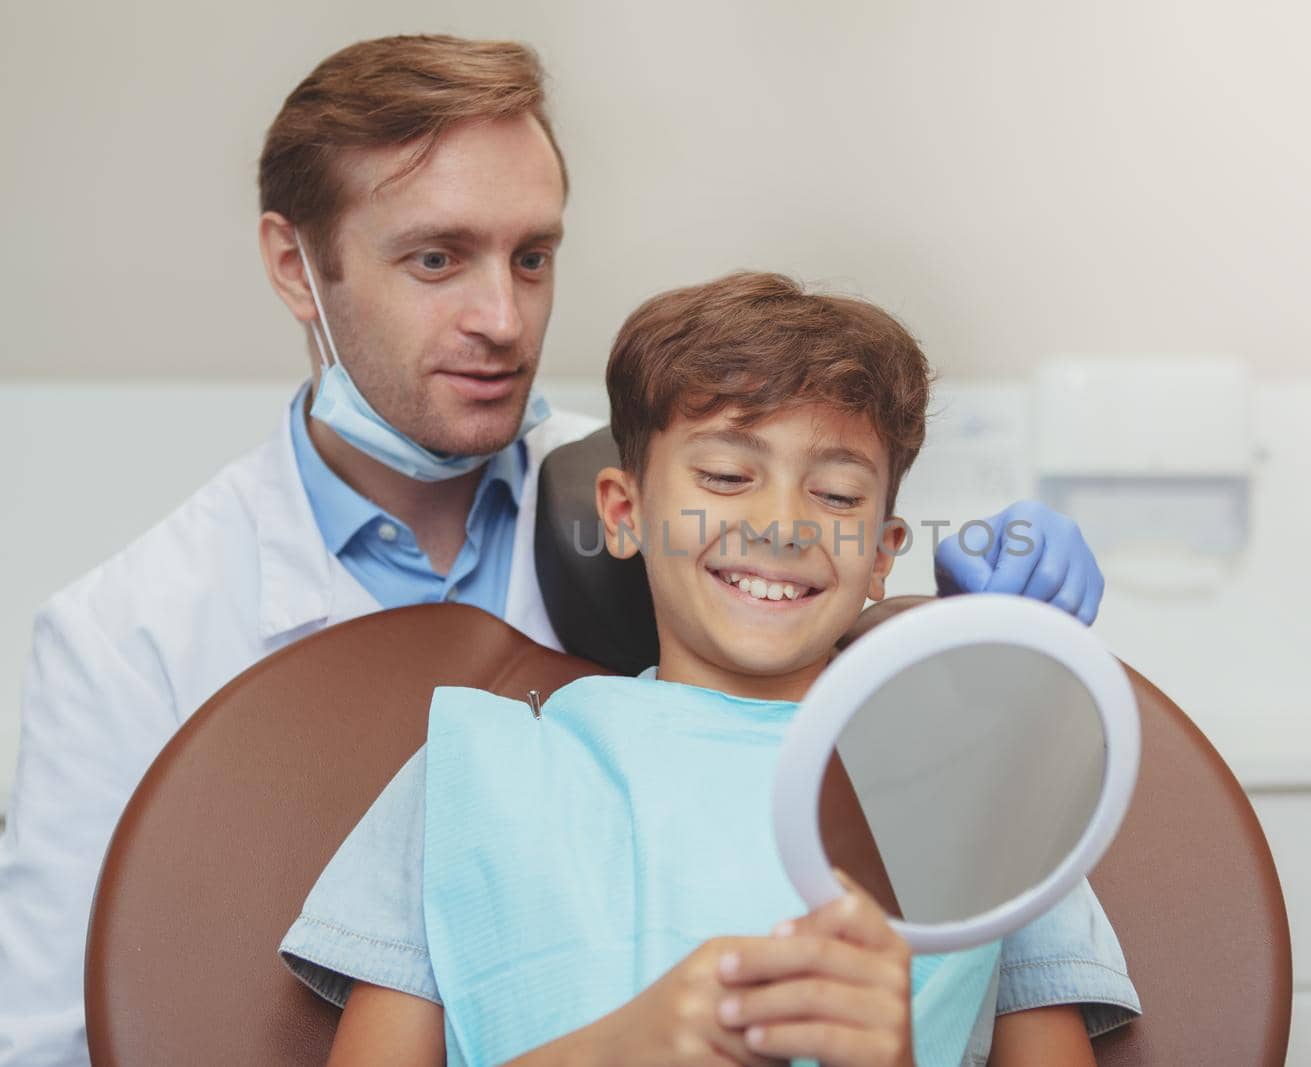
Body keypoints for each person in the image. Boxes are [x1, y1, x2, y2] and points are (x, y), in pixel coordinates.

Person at [0, 36, 1108, 1067]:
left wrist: (957, 636)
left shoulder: (637, 475)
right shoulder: (131, 636)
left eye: (532, 258)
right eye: (438, 258)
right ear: (298, 268)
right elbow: (53, 1036)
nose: (503, 318)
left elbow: (783, 604)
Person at [279, 271, 1139, 1066]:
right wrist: (623, 1050)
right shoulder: (474, 773)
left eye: (837, 494)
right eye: (728, 473)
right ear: (623, 511)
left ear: (883, 553)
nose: (782, 522)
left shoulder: (986, 797)